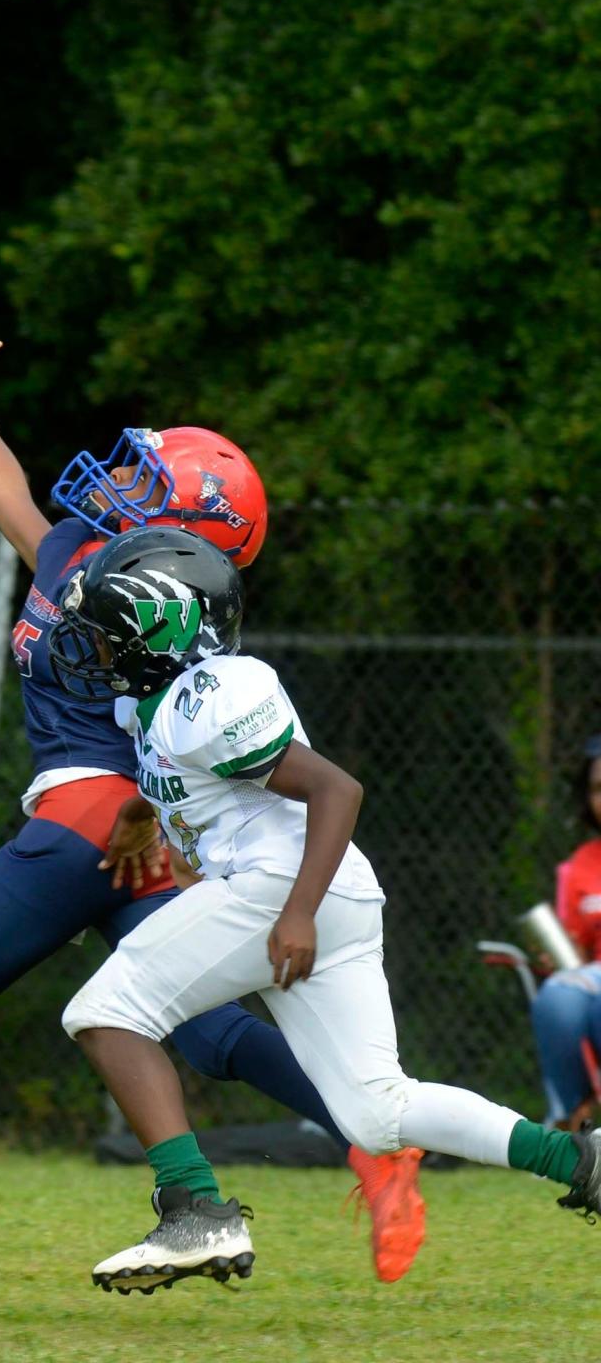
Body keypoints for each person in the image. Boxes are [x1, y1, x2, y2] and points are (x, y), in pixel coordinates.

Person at [0, 320, 424, 1296]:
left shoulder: (141, 604)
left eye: (150, 486)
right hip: (138, 836)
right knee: (209, 1034)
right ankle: (374, 1149)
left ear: (192, 533)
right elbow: (2, 494)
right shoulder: (97, 567)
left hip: (86, 816)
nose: (120, 488)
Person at [52, 527, 601, 1293]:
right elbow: (196, 782)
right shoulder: (160, 706)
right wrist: (146, 818)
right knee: (378, 1113)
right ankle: (579, 1160)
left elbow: (335, 789)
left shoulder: (210, 699)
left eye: (110, 636)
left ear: (156, 632)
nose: (97, 652)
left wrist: (297, 913)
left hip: (287, 887)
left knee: (106, 1012)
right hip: (324, 890)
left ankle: (195, 1208)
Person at [530, 733, 601, 1131]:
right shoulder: (580, 866)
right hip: (594, 983)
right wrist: (556, 955)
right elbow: (574, 954)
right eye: (597, 789)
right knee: (558, 998)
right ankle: (570, 1125)